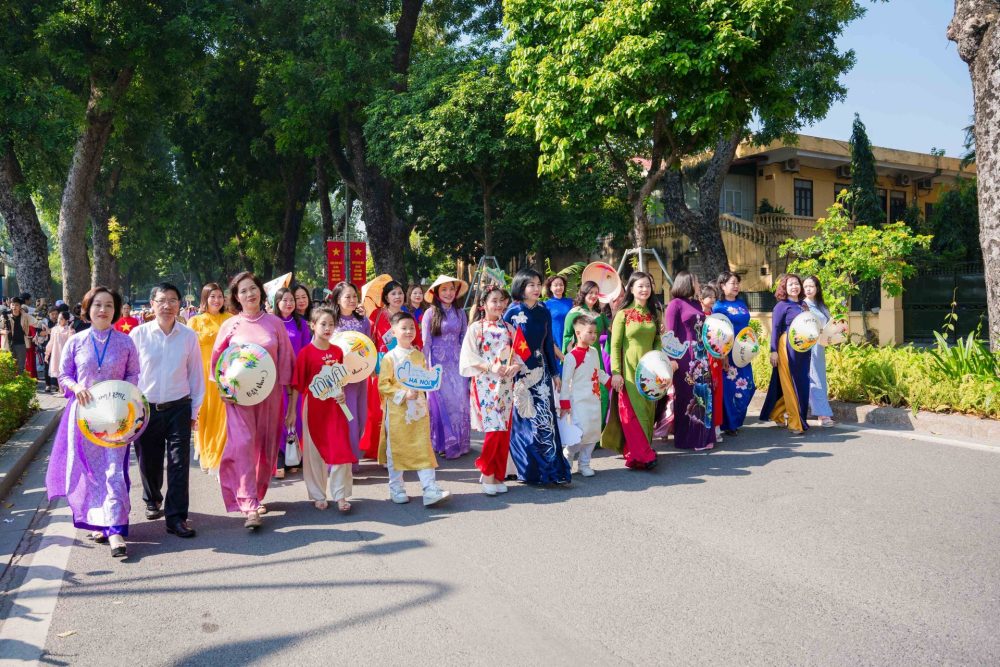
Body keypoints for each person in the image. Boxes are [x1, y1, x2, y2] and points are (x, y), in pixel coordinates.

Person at [45, 287, 139, 558]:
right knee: (92, 473)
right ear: (87, 309)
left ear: (116, 310)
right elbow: (64, 376)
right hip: (85, 418)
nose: (103, 310)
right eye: (98, 305)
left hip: (116, 418)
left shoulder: (125, 342)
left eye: (109, 305)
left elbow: (133, 374)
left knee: (113, 471)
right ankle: (100, 519)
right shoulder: (76, 341)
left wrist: (124, 395)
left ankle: (115, 529)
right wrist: (76, 388)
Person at [211, 271, 295, 530]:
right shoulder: (230, 325)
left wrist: (291, 401)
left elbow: (286, 362)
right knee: (244, 443)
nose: (250, 294)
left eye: (253, 289)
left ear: (261, 291)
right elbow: (217, 362)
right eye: (243, 291)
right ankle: (249, 504)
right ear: (236, 297)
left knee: (265, 446)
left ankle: (256, 493)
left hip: (269, 396)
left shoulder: (274, 324)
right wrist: (223, 389)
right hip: (238, 398)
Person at [130, 283, 205, 539]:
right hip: (146, 409)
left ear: (180, 304)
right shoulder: (138, 335)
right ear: (151, 304)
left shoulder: (188, 336)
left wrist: (194, 410)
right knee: (148, 461)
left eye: (173, 300)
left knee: (178, 464)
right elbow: (130, 375)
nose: (167, 305)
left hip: (179, 408)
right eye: (161, 300)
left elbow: (196, 375)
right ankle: (152, 497)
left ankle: (176, 518)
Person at [503, 268, 571, 485]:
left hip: (541, 374)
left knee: (545, 421)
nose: (535, 288)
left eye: (537, 283)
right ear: (520, 287)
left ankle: (550, 468)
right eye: (530, 284)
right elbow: (504, 347)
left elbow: (549, 344)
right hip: (519, 375)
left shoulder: (543, 311)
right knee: (524, 421)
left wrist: (555, 372)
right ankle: (528, 469)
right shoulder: (511, 313)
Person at [377, 311, 451, 506]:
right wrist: (402, 394)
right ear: (393, 332)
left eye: (412, 328)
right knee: (396, 450)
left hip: (418, 410)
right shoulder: (389, 358)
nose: (409, 331)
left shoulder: (419, 355)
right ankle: (396, 487)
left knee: (423, 447)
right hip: (397, 413)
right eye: (404, 328)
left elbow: (426, 379)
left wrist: (429, 384)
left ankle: (429, 488)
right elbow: (383, 384)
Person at [287, 306, 355, 511]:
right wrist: (291, 412)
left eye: (331, 324)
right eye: (323, 324)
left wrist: (342, 393)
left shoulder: (337, 351)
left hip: (336, 406)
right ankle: (318, 494)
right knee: (313, 451)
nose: (327, 328)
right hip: (313, 407)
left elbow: (340, 378)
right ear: (313, 325)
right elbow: (298, 385)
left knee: (341, 448)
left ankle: (341, 495)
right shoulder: (305, 354)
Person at [460, 287, 520, 495]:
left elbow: (519, 355)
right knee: (494, 429)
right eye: (494, 301)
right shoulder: (476, 328)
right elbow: (469, 357)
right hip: (485, 384)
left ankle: (497, 474)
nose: (499, 305)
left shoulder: (510, 329)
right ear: (484, 304)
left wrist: (515, 366)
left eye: (502, 301)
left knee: (504, 430)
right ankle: (486, 471)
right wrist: (491, 367)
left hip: (505, 386)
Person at [601, 271, 662, 468]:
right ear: (632, 289)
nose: (645, 289)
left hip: (650, 371)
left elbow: (657, 341)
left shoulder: (653, 313)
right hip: (629, 371)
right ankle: (643, 455)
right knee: (632, 412)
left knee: (647, 410)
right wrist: (616, 373)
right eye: (640, 286)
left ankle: (640, 451)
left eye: (648, 285)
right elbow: (615, 345)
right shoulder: (622, 314)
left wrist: (661, 363)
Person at [362, 280, 422, 460]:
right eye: (393, 293)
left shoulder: (408, 315)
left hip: (404, 366)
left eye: (400, 293)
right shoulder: (377, 315)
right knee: (379, 410)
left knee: (404, 408)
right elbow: (369, 340)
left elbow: (417, 339)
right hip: (382, 366)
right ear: (386, 297)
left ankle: (403, 447)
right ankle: (379, 448)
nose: (398, 296)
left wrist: (417, 350)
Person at [663, 271, 716, 451]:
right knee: (687, 396)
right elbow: (669, 335)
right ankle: (687, 439)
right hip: (684, 357)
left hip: (701, 354)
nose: (698, 284)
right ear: (686, 282)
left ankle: (703, 437)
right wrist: (672, 360)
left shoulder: (695, 304)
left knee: (704, 395)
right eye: (696, 280)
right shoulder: (674, 305)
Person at [422, 275, 471, 459]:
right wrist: (426, 367)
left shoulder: (460, 313)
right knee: (440, 403)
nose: (449, 293)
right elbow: (426, 342)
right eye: (444, 289)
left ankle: (461, 442)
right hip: (437, 365)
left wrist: (467, 364)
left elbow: (465, 340)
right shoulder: (430, 314)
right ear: (436, 292)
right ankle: (442, 443)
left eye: (451, 289)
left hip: (458, 364)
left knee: (460, 402)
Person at [188, 283, 232, 472]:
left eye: (219, 296)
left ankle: (222, 455)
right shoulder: (195, 322)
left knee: (224, 417)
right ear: (205, 299)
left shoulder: (230, 319)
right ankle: (207, 454)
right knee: (205, 416)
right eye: (212, 296)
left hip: (226, 375)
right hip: (203, 376)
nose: (216, 300)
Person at [759, 273, 811, 434]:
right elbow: (775, 329)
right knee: (790, 384)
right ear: (784, 288)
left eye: (796, 283)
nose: (794, 287)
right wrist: (773, 351)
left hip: (803, 349)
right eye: (790, 284)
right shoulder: (781, 306)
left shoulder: (804, 305)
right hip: (786, 347)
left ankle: (777, 412)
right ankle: (795, 422)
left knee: (801, 383)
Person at [328, 282, 372, 465]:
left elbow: (369, 347)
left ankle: (352, 459)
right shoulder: (330, 320)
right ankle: (340, 462)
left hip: (360, 376)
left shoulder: (363, 321)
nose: (352, 300)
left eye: (354, 296)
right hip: (339, 379)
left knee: (360, 418)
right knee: (345, 419)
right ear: (338, 299)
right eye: (347, 296)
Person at [560, 316, 610, 476]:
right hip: (578, 402)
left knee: (593, 433)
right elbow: (565, 380)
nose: (593, 335)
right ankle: (566, 459)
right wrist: (565, 404)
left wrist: (610, 382)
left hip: (594, 401)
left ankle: (584, 464)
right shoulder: (571, 357)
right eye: (589, 332)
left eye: (595, 332)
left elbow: (598, 372)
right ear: (578, 333)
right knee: (578, 434)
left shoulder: (595, 352)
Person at [274, 286, 312, 477]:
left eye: (291, 300)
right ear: (277, 303)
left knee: (295, 416)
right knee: (279, 415)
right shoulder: (272, 323)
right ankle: (280, 456)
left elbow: (306, 351)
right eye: (285, 300)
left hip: (297, 376)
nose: (289, 304)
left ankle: (294, 456)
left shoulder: (302, 324)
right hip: (276, 378)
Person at [712, 271, 755, 435]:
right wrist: (722, 355)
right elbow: (716, 333)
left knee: (749, 386)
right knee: (730, 389)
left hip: (743, 352)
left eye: (737, 283)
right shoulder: (718, 307)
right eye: (732, 283)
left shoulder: (742, 303)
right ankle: (730, 424)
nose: (736, 286)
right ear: (722, 286)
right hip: (728, 353)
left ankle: (736, 420)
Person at [803, 275, 836, 427]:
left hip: (820, 346)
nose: (808, 289)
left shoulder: (821, 306)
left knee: (819, 378)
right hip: (807, 345)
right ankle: (823, 414)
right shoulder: (803, 305)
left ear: (817, 288)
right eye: (806, 286)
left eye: (811, 286)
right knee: (813, 378)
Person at [699, 283, 725, 443]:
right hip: (702, 356)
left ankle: (716, 427)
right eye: (711, 297)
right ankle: (705, 427)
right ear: (701, 299)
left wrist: (724, 357)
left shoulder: (715, 315)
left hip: (716, 355)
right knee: (704, 392)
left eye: (715, 297)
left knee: (717, 390)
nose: (713, 300)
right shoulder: (698, 315)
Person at [543, 275, 573, 371]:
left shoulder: (571, 302)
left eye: (561, 285)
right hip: (554, 341)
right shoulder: (546, 305)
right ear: (550, 288)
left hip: (570, 340)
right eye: (555, 285)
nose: (559, 287)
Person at [1, 297, 35, 372]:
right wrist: (3, 331)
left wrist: (43, 326)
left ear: (20, 306)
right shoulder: (5, 316)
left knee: (21, 367)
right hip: (8, 344)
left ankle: (20, 382)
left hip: (21, 344)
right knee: (8, 367)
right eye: (12, 305)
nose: (14, 307)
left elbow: (36, 322)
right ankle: (11, 383)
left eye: (16, 305)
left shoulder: (25, 316)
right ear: (10, 305)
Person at [45, 311, 73, 394]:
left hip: (66, 354)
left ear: (66, 320)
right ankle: (61, 391)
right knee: (57, 371)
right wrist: (47, 353)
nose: (59, 320)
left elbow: (71, 342)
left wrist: (70, 330)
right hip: (56, 353)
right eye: (58, 318)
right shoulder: (54, 329)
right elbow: (51, 342)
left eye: (61, 318)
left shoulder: (70, 329)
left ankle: (67, 391)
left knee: (65, 372)